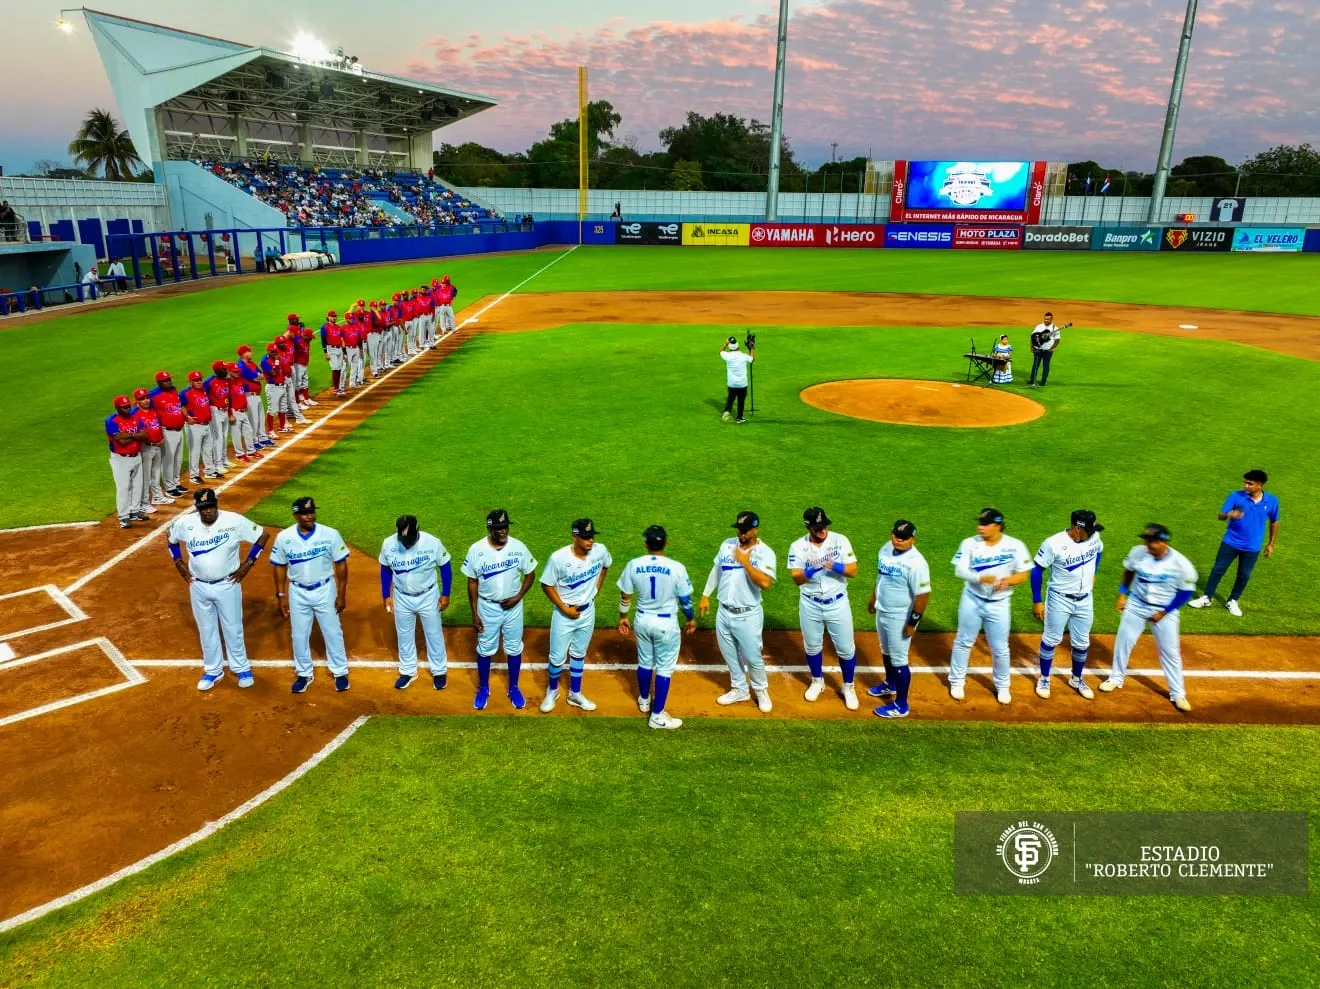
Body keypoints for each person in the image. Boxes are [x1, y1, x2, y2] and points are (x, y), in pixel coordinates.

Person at [168, 488, 268, 690]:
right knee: (206, 630)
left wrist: (249, 563)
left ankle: (241, 667)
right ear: (197, 508)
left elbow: (263, 535)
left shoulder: (234, 521)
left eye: (211, 506)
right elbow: (171, 540)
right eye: (204, 508)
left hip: (227, 584)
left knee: (233, 628)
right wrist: (178, 562)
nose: (208, 511)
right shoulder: (185, 523)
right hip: (198, 585)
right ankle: (213, 671)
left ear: (217, 504)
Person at [1102, 524, 1198, 712]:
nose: (1147, 544)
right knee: (1124, 641)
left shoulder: (1181, 564)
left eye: (1151, 541)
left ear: (1163, 542)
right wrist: (1122, 594)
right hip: (1136, 604)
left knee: (1170, 652)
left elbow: (1186, 593)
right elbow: (1129, 570)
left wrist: (1164, 612)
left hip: (1165, 610)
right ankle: (1115, 678)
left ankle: (1178, 693)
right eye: (1146, 540)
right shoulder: (1138, 552)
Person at [948, 508, 1032, 704]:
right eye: (979, 523)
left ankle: (1003, 686)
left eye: (985, 524)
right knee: (963, 641)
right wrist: (979, 577)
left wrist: (1008, 581)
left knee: (1000, 648)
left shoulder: (1015, 546)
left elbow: (1023, 573)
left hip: (1000, 604)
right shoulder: (969, 543)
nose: (980, 527)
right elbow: (960, 571)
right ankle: (957, 681)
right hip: (972, 599)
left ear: (998, 525)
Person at [270, 496, 352, 694]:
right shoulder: (284, 537)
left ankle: (340, 671)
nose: (309, 516)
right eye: (305, 513)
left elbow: (341, 564)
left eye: (312, 512)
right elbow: (279, 566)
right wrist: (281, 595)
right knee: (299, 634)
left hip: (325, 588)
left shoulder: (330, 534)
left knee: (332, 631)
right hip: (297, 591)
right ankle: (304, 673)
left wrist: (341, 594)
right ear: (295, 515)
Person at [617, 525, 695, 730]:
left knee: (644, 661)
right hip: (666, 623)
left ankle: (644, 701)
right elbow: (685, 600)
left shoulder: (634, 564)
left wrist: (623, 617)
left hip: (642, 620)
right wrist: (690, 619)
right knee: (664, 668)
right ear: (666, 543)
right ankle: (657, 715)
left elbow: (626, 595)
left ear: (645, 544)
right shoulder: (676, 567)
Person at [699, 511, 777, 712]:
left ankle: (761, 691)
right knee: (729, 654)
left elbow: (766, 583)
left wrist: (745, 562)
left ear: (756, 529)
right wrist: (706, 595)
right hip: (723, 612)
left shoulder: (765, 552)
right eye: (739, 529)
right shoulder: (727, 544)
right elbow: (717, 569)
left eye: (745, 530)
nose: (741, 533)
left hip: (748, 614)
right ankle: (739, 689)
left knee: (753, 657)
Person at [462, 509, 539, 710]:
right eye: (498, 528)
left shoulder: (518, 547)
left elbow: (531, 573)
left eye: (505, 527)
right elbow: (471, 582)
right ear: (490, 528)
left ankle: (513, 687)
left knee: (514, 647)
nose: (503, 531)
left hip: (513, 608)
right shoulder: (476, 550)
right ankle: (484, 688)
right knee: (485, 648)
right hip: (487, 607)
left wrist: (518, 596)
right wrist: (475, 612)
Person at [788, 507, 860, 710]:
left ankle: (848, 686)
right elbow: (797, 578)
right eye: (818, 527)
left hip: (838, 602)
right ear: (808, 527)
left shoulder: (840, 540)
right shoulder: (797, 547)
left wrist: (835, 566)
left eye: (825, 525)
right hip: (810, 603)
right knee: (812, 646)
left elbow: (853, 571)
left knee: (846, 649)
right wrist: (812, 569)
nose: (823, 530)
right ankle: (817, 681)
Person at [1030, 510, 1105, 700]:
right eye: (1090, 529)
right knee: (1051, 639)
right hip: (1059, 599)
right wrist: (1037, 601)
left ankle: (1076, 678)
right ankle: (1045, 678)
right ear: (1078, 528)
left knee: (1082, 643)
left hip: (1085, 599)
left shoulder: (1094, 538)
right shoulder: (1053, 543)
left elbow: (1099, 552)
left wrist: (1094, 572)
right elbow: (1037, 570)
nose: (1094, 532)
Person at [539, 519, 612, 713]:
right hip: (565, 614)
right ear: (575, 537)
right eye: (586, 537)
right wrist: (564, 608)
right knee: (557, 657)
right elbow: (546, 584)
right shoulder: (558, 558)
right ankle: (552, 690)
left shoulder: (600, 550)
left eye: (592, 536)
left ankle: (575, 694)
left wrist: (597, 589)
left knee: (579, 654)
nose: (591, 540)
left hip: (588, 611)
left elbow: (606, 566)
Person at [1189, 470, 1280, 617]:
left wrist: (1271, 544)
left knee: (1244, 574)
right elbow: (1220, 515)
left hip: (1252, 546)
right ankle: (1207, 597)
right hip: (1230, 542)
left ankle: (1233, 600)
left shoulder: (1271, 501)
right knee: (1218, 569)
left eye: (1250, 483)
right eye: (1245, 482)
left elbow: (1275, 521)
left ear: (1260, 485)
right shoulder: (1236, 496)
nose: (1245, 485)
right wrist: (1229, 514)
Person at [379, 514, 453, 690]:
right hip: (401, 596)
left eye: (410, 538)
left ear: (417, 531)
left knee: (434, 633)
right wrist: (386, 595)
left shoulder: (432, 543)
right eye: (403, 538)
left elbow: (445, 566)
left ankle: (439, 671)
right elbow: (385, 569)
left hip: (428, 596)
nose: (407, 542)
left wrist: (446, 593)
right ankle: (408, 671)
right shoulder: (389, 544)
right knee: (404, 635)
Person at [867, 520, 930, 719]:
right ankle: (890, 683)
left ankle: (901, 705)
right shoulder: (886, 549)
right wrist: (873, 597)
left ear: (913, 538)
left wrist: (912, 623)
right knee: (885, 651)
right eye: (896, 535)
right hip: (882, 610)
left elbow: (923, 596)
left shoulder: (917, 563)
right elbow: (881, 576)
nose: (898, 540)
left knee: (900, 660)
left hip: (900, 617)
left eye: (903, 537)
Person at [105, 395, 148, 529]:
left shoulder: (135, 417)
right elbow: (121, 442)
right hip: (120, 459)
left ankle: (134, 512)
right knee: (123, 488)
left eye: (128, 406)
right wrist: (136, 436)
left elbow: (145, 435)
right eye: (124, 407)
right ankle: (123, 516)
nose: (127, 408)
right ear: (117, 408)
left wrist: (128, 435)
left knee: (137, 485)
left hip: (136, 456)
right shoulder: (111, 421)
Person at [147, 371, 188, 497]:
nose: (169, 382)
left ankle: (175, 482)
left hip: (179, 429)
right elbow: (147, 413)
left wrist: (185, 418)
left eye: (169, 379)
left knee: (178, 458)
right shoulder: (153, 395)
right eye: (165, 380)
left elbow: (177, 408)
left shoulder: (173, 390)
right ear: (159, 382)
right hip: (167, 431)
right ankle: (169, 487)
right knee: (168, 460)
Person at [132, 387, 170, 513]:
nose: (146, 400)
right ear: (137, 401)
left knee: (155, 473)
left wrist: (161, 439)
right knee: (145, 476)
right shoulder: (135, 415)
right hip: (146, 448)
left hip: (157, 446)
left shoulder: (152, 411)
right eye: (142, 399)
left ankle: (157, 497)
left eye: (147, 398)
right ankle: (143, 503)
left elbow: (156, 427)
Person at [181, 370, 217, 482]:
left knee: (208, 448)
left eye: (200, 379)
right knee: (195, 451)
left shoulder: (204, 390)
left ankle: (210, 471)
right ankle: (194, 475)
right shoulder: (185, 393)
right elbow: (175, 408)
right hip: (194, 427)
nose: (199, 382)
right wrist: (186, 418)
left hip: (207, 424)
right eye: (196, 380)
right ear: (190, 381)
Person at [203, 361, 234, 470]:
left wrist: (230, 413)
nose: (226, 371)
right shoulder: (209, 382)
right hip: (215, 411)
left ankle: (224, 459)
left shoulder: (226, 381)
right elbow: (202, 397)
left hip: (225, 410)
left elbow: (228, 398)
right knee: (218, 437)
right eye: (224, 369)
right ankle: (218, 464)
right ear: (217, 371)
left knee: (224, 436)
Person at [719, 336, 754, 423]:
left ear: (730, 347)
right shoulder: (743, 356)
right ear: (738, 346)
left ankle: (727, 410)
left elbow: (721, 351)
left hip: (731, 383)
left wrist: (726, 343)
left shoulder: (727, 356)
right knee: (741, 401)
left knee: (731, 399)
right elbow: (752, 359)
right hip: (742, 383)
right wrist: (751, 348)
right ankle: (739, 418)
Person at [1027, 312, 1062, 388]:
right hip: (1038, 349)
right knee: (1035, 365)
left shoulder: (1055, 328)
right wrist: (1032, 346)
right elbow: (1032, 337)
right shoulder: (1039, 327)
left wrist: (1051, 348)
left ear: (1051, 319)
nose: (1046, 320)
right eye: (1045, 319)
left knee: (1045, 366)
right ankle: (1032, 379)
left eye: (1048, 319)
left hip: (1047, 351)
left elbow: (1057, 340)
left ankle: (1043, 381)